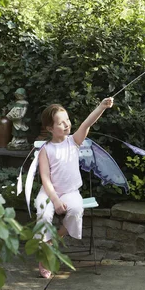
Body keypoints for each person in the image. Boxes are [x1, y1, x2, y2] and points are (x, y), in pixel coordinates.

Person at [35, 97, 114, 278]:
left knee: (77, 209)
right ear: (49, 128)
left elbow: (87, 123)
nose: (66, 125)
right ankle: (45, 256)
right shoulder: (46, 150)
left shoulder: (73, 142)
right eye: (61, 123)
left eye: (67, 120)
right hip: (49, 192)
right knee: (43, 212)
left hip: (70, 192)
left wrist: (102, 107)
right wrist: (54, 200)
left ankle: (53, 240)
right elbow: (45, 178)